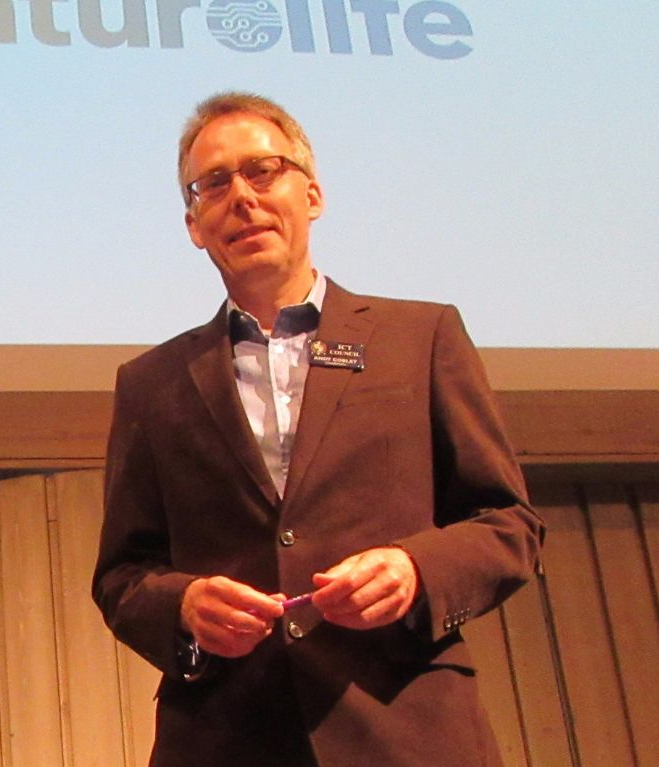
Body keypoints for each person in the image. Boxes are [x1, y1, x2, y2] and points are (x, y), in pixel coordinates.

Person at [92, 91, 544, 767]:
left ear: (312, 194)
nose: (240, 197)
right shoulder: (151, 382)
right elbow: (122, 575)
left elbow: (507, 523)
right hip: (224, 738)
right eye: (213, 183)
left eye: (262, 171)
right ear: (193, 222)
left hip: (405, 731)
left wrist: (415, 568)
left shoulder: (419, 336)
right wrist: (183, 603)